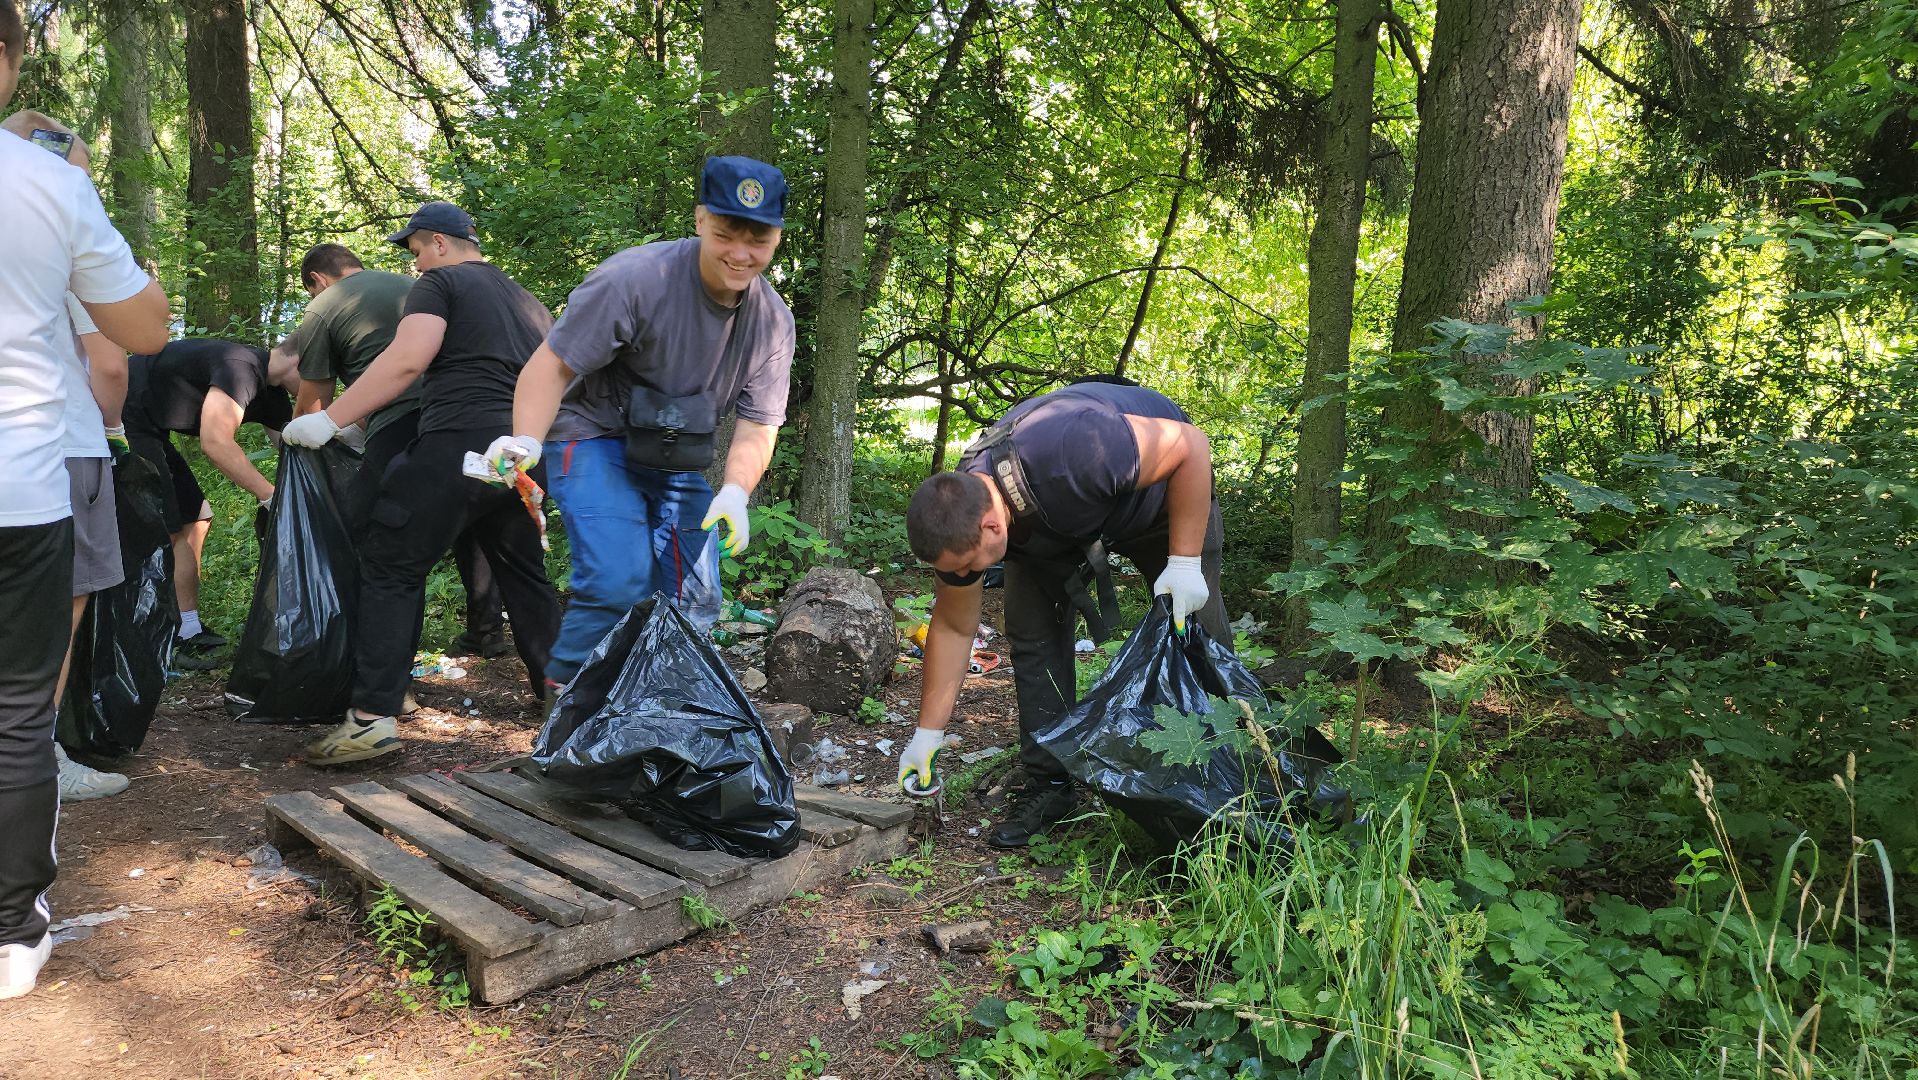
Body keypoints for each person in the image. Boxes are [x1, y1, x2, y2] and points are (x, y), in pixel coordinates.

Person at [0, 0, 171, 1000]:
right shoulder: (48, 184)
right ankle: (8, 934)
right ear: (10, 59)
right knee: (18, 709)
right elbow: (142, 332)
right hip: (20, 480)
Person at [484, 156, 796, 691]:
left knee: (696, 596)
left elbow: (758, 422)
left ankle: (652, 709)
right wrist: (526, 438)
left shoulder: (772, 322)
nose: (741, 254)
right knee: (617, 580)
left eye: (759, 241)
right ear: (700, 219)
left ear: (777, 238)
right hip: (591, 435)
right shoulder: (635, 280)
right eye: (726, 234)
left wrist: (735, 492)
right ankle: (569, 704)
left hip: (673, 452)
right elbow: (551, 367)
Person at [282, 201, 562, 765]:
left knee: (391, 563)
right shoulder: (528, 301)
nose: (415, 266)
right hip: (521, 454)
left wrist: (330, 419)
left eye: (415, 252)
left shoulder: (440, 284)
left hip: (456, 444)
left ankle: (370, 722)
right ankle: (563, 695)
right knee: (524, 573)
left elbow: (408, 359)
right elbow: (558, 378)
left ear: (438, 242)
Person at [894, 379, 1228, 848]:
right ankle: (1049, 785)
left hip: (1164, 498)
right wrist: (927, 734)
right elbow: (952, 628)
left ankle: (1228, 770)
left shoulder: (1073, 449)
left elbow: (1191, 445)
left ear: (991, 525)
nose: (965, 577)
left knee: (1196, 633)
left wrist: (1185, 565)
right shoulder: (958, 521)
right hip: (1056, 530)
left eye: (969, 566)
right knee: (1032, 635)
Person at [278, 242, 508, 658]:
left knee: (384, 541)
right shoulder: (417, 287)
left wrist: (296, 441)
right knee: (474, 518)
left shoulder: (323, 307)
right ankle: (487, 631)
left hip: (399, 425)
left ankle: (383, 667)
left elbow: (313, 403)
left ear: (316, 280)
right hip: (462, 418)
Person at [2, 110, 136, 801]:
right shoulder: (62, 231)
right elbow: (111, 361)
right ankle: (39, 756)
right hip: (60, 442)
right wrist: (111, 427)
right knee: (62, 604)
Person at [121, 338, 298, 668]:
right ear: (300, 362)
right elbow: (215, 442)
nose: (319, 385)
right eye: (320, 375)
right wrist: (269, 496)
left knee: (197, 519)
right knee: (166, 531)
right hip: (124, 410)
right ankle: (161, 640)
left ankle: (187, 627)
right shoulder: (242, 369)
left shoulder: (272, 394)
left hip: (150, 423)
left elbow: (292, 452)